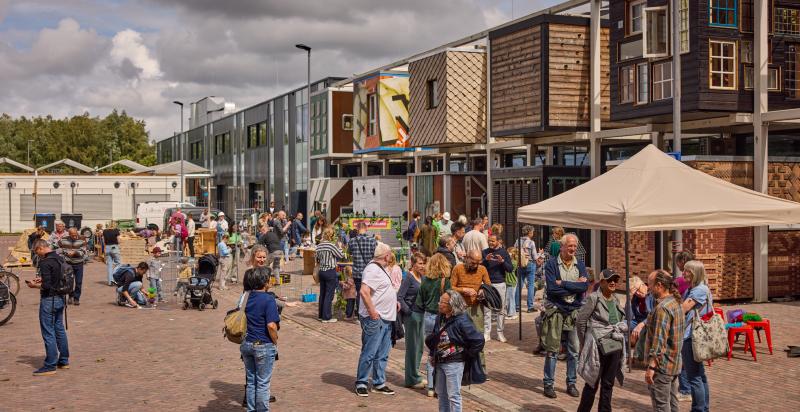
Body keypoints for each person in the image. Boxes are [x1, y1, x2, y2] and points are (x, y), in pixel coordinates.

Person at [541, 233, 588, 399]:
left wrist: (565, 284)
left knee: (574, 350)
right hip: (556, 309)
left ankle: (571, 383)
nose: (573, 249)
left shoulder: (580, 264)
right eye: (570, 246)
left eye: (575, 246)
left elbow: (584, 287)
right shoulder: (552, 265)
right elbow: (552, 289)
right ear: (562, 246)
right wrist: (575, 286)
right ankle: (548, 384)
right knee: (552, 350)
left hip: (574, 311)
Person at [425, 290, 486, 412]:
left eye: (443, 302)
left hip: (454, 363)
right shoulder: (440, 317)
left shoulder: (462, 320)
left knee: (453, 396)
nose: (440, 304)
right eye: (440, 301)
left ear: (452, 305)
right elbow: (435, 337)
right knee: (441, 394)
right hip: (440, 361)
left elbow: (478, 340)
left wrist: (467, 355)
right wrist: (432, 355)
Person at [576, 269, 627, 412]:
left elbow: (618, 321)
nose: (613, 283)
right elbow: (581, 321)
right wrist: (584, 342)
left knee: (608, 384)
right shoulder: (594, 298)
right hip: (597, 347)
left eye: (615, 280)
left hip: (615, 345)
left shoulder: (616, 299)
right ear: (602, 282)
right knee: (592, 383)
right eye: (609, 280)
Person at [354, 242, 398, 397]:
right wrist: (373, 313)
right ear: (386, 255)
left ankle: (379, 382)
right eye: (390, 253)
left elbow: (382, 290)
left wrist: (394, 302)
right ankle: (361, 382)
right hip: (376, 318)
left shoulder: (382, 268)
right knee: (370, 351)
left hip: (386, 317)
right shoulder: (372, 269)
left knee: (382, 353)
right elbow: (364, 292)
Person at [26, 240, 70, 376]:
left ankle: (50, 364)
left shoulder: (45, 262)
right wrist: (43, 280)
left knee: (48, 331)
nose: (36, 254)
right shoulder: (59, 258)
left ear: (40, 248)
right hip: (61, 298)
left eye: (36, 251)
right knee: (59, 329)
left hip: (49, 299)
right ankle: (63, 360)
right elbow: (56, 278)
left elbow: (47, 286)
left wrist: (35, 285)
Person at [644, 269, 685, 412]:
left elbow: (659, 341)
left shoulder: (662, 308)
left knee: (661, 406)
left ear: (659, 285)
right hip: (674, 364)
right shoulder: (676, 302)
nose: (648, 288)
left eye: (649, 284)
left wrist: (651, 367)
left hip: (662, 366)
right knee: (673, 404)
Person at [240, 266, 280, 412]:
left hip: (247, 343)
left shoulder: (246, 297)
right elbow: (271, 325)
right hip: (263, 344)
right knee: (263, 383)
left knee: (251, 382)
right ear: (264, 281)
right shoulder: (268, 299)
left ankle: (251, 410)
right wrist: (275, 341)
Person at [416, 253, 452, 397]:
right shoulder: (445, 281)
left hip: (428, 316)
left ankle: (431, 387)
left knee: (431, 352)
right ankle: (439, 386)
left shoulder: (425, 281)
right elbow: (451, 301)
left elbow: (419, 302)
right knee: (443, 351)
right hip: (441, 318)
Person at [680, 260, 713, 412]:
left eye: (686, 271)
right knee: (700, 375)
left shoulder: (699, 290)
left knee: (694, 377)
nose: (683, 273)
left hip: (691, 337)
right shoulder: (694, 289)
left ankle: (699, 409)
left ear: (693, 273)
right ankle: (703, 408)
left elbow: (682, 309)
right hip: (692, 335)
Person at [398, 252, 427, 389]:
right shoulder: (409, 277)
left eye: (423, 263)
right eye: (420, 263)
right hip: (412, 316)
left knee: (420, 346)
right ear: (413, 264)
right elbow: (399, 297)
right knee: (412, 347)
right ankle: (411, 379)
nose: (422, 266)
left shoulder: (422, 276)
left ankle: (416, 375)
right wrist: (408, 312)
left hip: (422, 314)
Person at [481, 234, 513, 343]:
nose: (490, 243)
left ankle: (500, 332)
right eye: (489, 241)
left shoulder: (504, 252)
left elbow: (510, 269)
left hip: (500, 283)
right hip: (488, 283)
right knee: (487, 308)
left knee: (501, 309)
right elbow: (480, 267)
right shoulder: (485, 252)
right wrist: (485, 260)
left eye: (493, 241)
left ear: (498, 241)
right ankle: (487, 332)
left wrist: (502, 262)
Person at [315, 226, 345, 322]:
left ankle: (321, 315)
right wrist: (340, 247)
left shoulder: (319, 246)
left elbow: (317, 258)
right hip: (330, 271)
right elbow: (340, 255)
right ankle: (326, 317)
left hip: (322, 271)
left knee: (322, 294)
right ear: (330, 236)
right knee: (329, 294)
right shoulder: (331, 245)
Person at [348, 222, 377, 313]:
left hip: (357, 271)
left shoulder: (352, 241)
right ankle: (369, 311)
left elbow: (349, 253)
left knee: (359, 293)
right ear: (366, 228)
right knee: (369, 293)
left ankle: (360, 314)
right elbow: (376, 255)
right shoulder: (372, 240)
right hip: (369, 272)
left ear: (357, 229)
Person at [515, 225, 543, 313]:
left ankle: (517, 306)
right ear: (530, 232)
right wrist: (540, 253)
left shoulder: (517, 241)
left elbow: (514, 252)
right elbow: (535, 257)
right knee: (531, 285)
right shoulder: (531, 242)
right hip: (530, 264)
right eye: (532, 232)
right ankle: (530, 307)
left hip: (520, 263)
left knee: (519, 285)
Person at [57, 227, 87, 306]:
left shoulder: (82, 239)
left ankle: (76, 298)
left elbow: (84, 251)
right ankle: (70, 295)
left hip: (79, 263)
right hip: (68, 264)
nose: (74, 236)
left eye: (75, 234)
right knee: (68, 281)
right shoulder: (64, 240)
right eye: (72, 235)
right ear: (69, 234)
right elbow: (57, 248)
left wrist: (75, 253)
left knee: (79, 282)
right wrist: (66, 252)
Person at [630, 276, 655, 361]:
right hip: (638, 321)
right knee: (623, 325)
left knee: (644, 331)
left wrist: (641, 324)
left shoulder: (652, 295)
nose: (638, 293)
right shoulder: (635, 298)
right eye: (635, 292)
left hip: (650, 322)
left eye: (638, 289)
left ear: (643, 284)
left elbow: (654, 314)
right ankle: (625, 353)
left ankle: (639, 356)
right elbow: (632, 315)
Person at [506, 247, 523, 320]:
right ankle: (511, 313)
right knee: (510, 298)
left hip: (511, 282)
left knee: (510, 298)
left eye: (508, 252)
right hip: (510, 282)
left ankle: (511, 313)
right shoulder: (512, 261)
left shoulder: (513, 262)